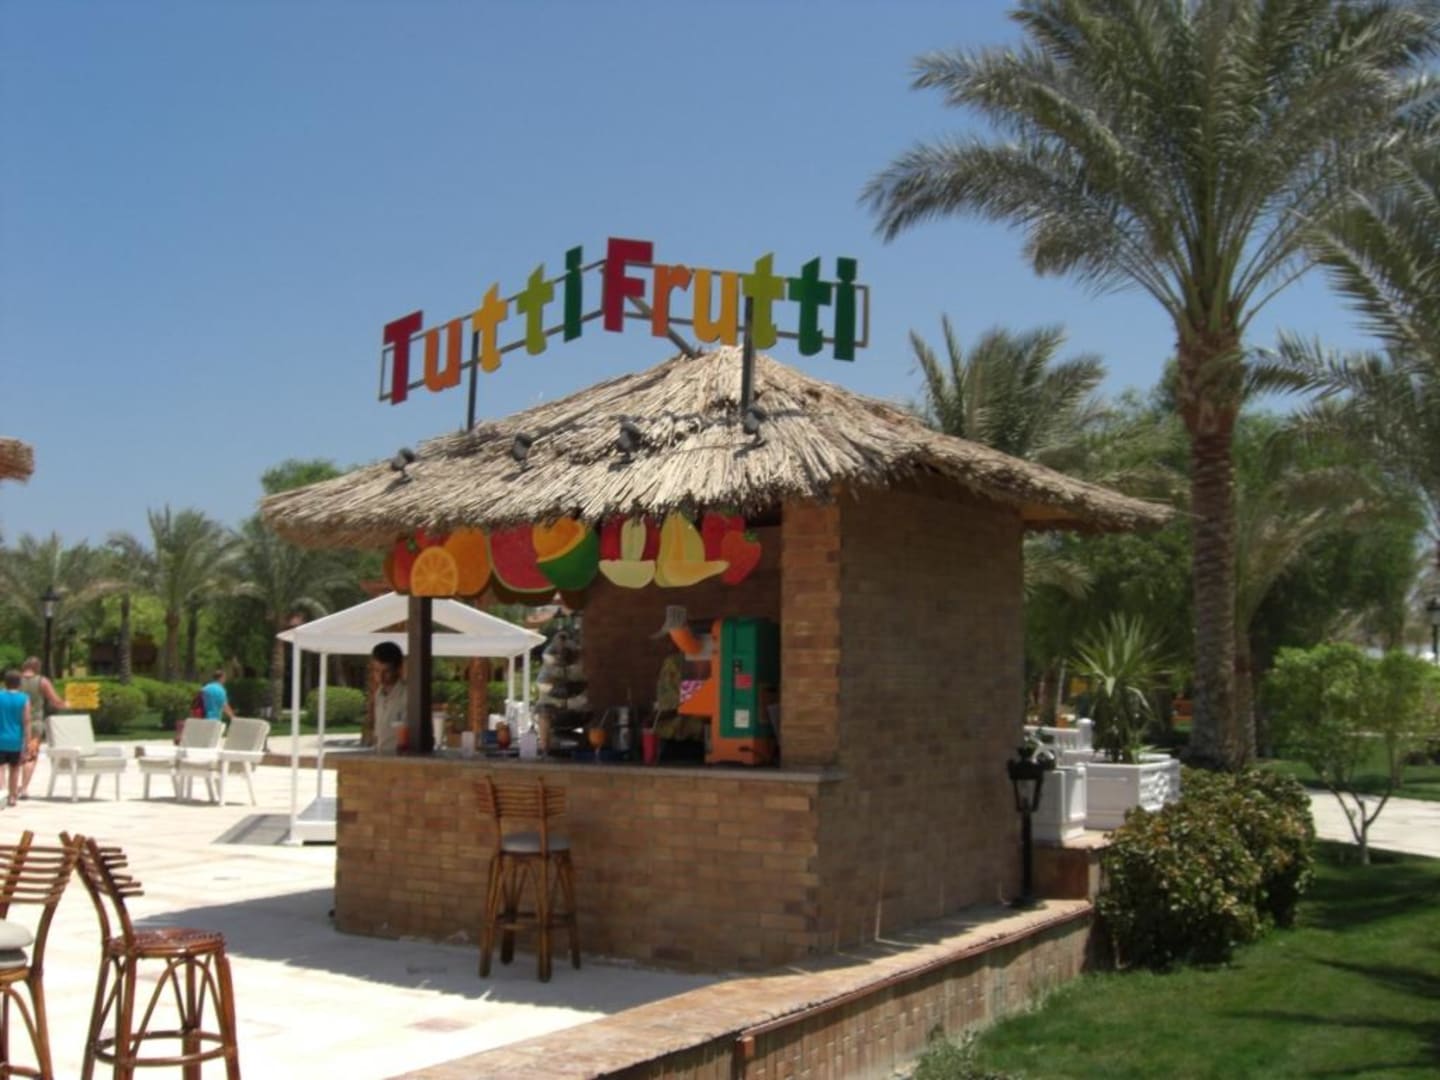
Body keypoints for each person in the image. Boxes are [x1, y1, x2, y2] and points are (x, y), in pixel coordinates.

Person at [18, 656, 68, 799]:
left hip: (15, 723)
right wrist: (67, 703)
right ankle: (24, 789)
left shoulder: (15, 680)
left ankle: (8, 787)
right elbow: (55, 701)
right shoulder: (42, 681)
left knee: (12, 757)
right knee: (30, 756)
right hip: (34, 723)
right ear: (37, 667)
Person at [0, 671, 31, 808]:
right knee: (14, 769)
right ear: (19, 683)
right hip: (16, 740)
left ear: (5, 682)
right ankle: (12, 797)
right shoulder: (24, 698)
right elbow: (27, 720)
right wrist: (27, 741)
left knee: (0, 768)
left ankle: (1, 794)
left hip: (1, 739)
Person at [370, 642, 406, 753]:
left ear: (398, 669)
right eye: (377, 670)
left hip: (401, 758)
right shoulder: (378, 694)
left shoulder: (409, 696)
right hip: (381, 756)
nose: (380, 677)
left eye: (386, 671)